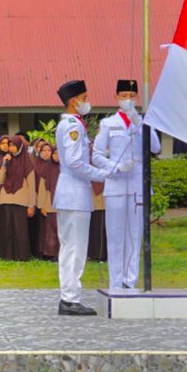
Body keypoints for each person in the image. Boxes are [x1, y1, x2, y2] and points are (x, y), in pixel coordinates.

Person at [54, 80, 122, 315]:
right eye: (84, 98)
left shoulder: (72, 124)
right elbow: (75, 162)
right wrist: (103, 175)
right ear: (74, 101)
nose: (87, 102)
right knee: (74, 247)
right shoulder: (73, 126)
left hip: (71, 193)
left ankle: (69, 296)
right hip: (74, 193)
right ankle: (70, 299)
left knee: (71, 247)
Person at [96, 80, 161, 290]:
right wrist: (116, 167)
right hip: (116, 185)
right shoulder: (108, 124)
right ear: (116, 97)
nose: (128, 99)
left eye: (132, 95)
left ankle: (130, 282)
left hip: (137, 186)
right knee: (115, 236)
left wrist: (141, 124)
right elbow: (96, 155)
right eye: (124, 95)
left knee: (134, 235)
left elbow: (156, 147)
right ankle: (115, 282)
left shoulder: (143, 122)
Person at [0, 134, 35, 261]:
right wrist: (4, 164)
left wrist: (31, 205)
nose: (11, 148)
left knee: (20, 229)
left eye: (14, 145)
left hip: (21, 200)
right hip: (6, 199)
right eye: (10, 145)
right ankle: (7, 254)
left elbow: (32, 186)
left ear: (20, 146)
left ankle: (21, 255)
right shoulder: (7, 160)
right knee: (7, 228)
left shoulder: (27, 163)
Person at [31, 139, 60, 260]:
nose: (52, 155)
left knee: (60, 230)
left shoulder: (64, 170)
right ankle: (49, 253)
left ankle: (59, 254)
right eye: (54, 153)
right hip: (48, 204)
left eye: (52, 152)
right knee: (48, 231)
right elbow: (42, 189)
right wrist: (41, 205)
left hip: (61, 204)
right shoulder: (47, 169)